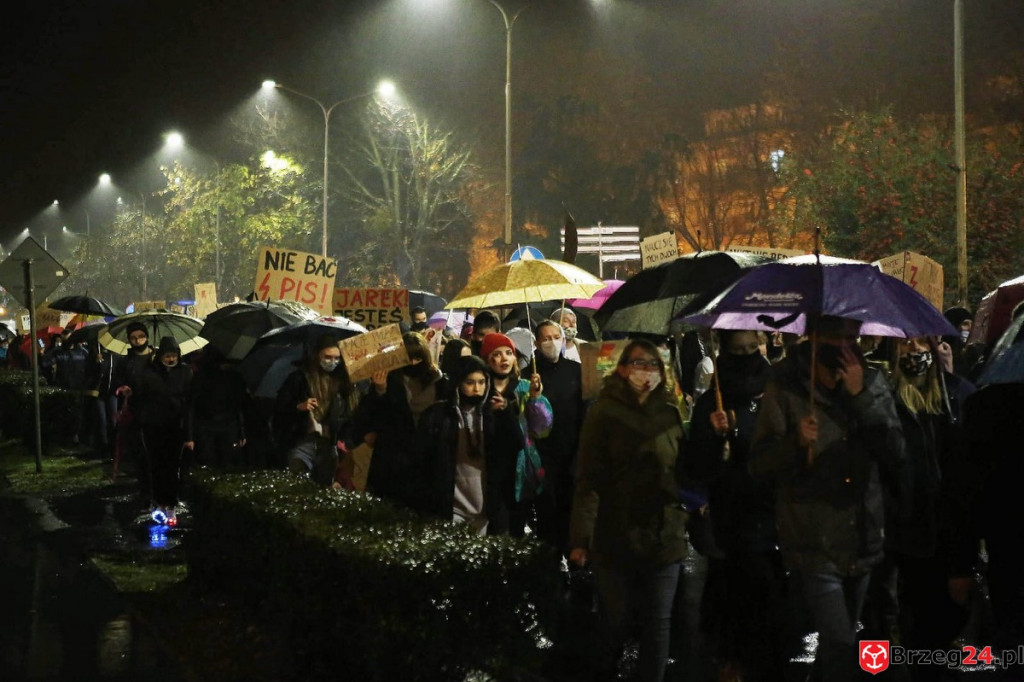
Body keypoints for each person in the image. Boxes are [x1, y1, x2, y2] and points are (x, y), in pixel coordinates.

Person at [749, 316, 905, 682]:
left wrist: (861, 397)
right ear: (816, 338)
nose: (846, 346)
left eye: (853, 337)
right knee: (839, 640)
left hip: (862, 532)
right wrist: (795, 443)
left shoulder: (873, 381)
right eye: (837, 337)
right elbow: (758, 465)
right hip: (812, 537)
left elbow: (896, 452)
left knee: (843, 638)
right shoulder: (785, 386)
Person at [569, 339, 689, 682]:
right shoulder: (603, 413)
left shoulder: (670, 412)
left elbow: (687, 468)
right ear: (623, 369)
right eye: (638, 363)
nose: (646, 371)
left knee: (658, 622)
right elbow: (589, 479)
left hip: (665, 534)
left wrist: (719, 439)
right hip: (616, 534)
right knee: (616, 620)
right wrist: (581, 538)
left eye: (653, 364)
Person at [864, 336, 975, 679]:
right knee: (905, 615)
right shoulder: (885, 399)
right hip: (901, 529)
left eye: (921, 344)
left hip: (944, 527)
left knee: (942, 616)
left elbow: (965, 472)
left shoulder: (956, 396)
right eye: (906, 345)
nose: (914, 352)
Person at [689, 329, 787, 681]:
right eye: (738, 349)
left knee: (772, 594)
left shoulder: (777, 390)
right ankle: (733, 656)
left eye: (753, 347)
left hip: (775, 511)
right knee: (739, 590)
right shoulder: (712, 402)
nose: (748, 355)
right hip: (733, 516)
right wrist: (714, 438)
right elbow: (695, 468)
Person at [414, 354, 522, 535]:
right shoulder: (438, 415)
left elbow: (516, 445)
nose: (476, 389)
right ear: (458, 383)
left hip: (488, 508)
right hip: (450, 507)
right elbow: (422, 459)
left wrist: (505, 415)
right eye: (470, 382)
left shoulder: (495, 413)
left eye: (481, 382)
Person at [357, 331, 443, 507]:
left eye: (417, 358)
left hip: (427, 451)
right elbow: (374, 412)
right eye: (408, 358)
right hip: (394, 452)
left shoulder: (438, 380)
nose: (412, 363)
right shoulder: (390, 377)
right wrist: (381, 389)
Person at [480, 332, 553, 538]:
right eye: (497, 354)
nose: (504, 359)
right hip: (488, 464)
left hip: (520, 465)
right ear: (487, 358)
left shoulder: (523, 387)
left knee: (516, 524)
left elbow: (542, 428)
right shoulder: (481, 387)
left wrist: (536, 398)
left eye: (508, 353)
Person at [274, 335, 358, 488]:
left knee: (323, 486)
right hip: (301, 441)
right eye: (327, 357)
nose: (332, 362)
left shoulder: (342, 382)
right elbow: (280, 408)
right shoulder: (299, 378)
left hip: (328, 443)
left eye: (336, 358)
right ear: (317, 356)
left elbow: (348, 414)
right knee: (297, 484)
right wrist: (299, 407)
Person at [533, 319, 583, 556]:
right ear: (536, 342)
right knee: (547, 512)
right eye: (545, 338)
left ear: (563, 340)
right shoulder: (529, 375)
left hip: (572, 453)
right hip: (543, 456)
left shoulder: (576, 370)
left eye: (556, 337)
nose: (551, 342)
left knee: (571, 511)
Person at [131, 336, 194, 524]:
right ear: (160, 356)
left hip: (175, 427)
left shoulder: (185, 372)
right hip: (154, 427)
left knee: (173, 467)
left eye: (173, 355)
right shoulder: (149, 373)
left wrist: (189, 433)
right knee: (156, 466)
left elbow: (189, 404)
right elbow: (141, 398)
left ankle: (171, 504)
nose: (170, 359)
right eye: (167, 356)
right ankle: (159, 502)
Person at [190, 346, 249, 471]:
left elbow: (193, 405)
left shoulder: (200, 377)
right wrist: (241, 430)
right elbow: (239, 404)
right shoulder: (233, 377)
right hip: (227, 425)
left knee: (209, 464)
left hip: (207, 425)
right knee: (229, 464)